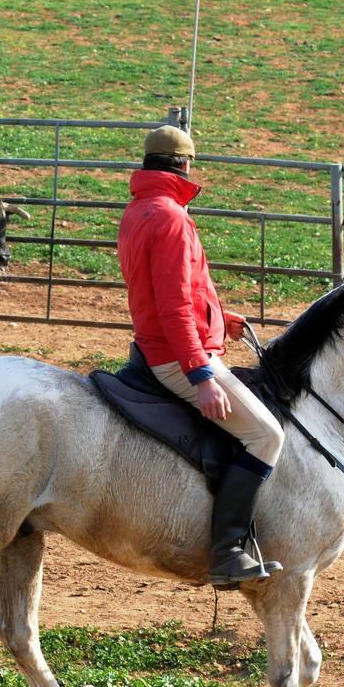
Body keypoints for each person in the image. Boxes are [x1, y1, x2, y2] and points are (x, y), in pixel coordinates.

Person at [117, 125, 285, 587]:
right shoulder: (172, 218)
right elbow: (172, 308)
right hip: (177, 356)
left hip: (161, 343)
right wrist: (201, 375)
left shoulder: (139, 209)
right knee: (266, 437)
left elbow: (167, 293)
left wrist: (217, 316)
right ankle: (228, 549)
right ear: (184, 165)